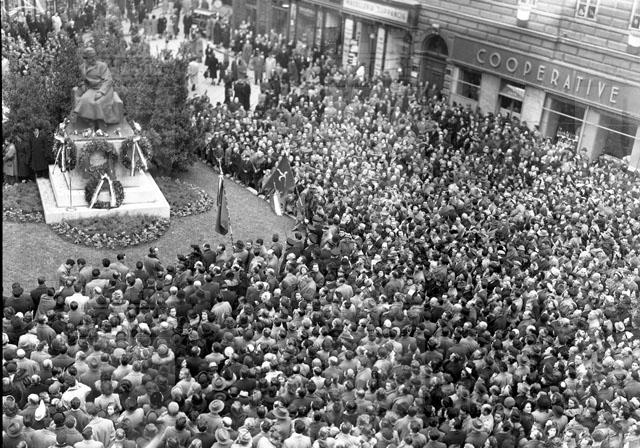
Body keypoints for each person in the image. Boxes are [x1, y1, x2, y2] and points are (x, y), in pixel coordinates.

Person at [71, 47, 125, 130]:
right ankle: (91, 123)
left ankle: (101, 124)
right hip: (92, 89)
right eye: (91, 57)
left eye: (94, 56)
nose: (93, 59)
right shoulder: (82, 67)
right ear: (85, 58)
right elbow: (82, 80)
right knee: (84, 100)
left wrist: (101, 92)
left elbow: (108, 80)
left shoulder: (102, 66)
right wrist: (82, 85)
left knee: (98, 102)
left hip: (105, 89)